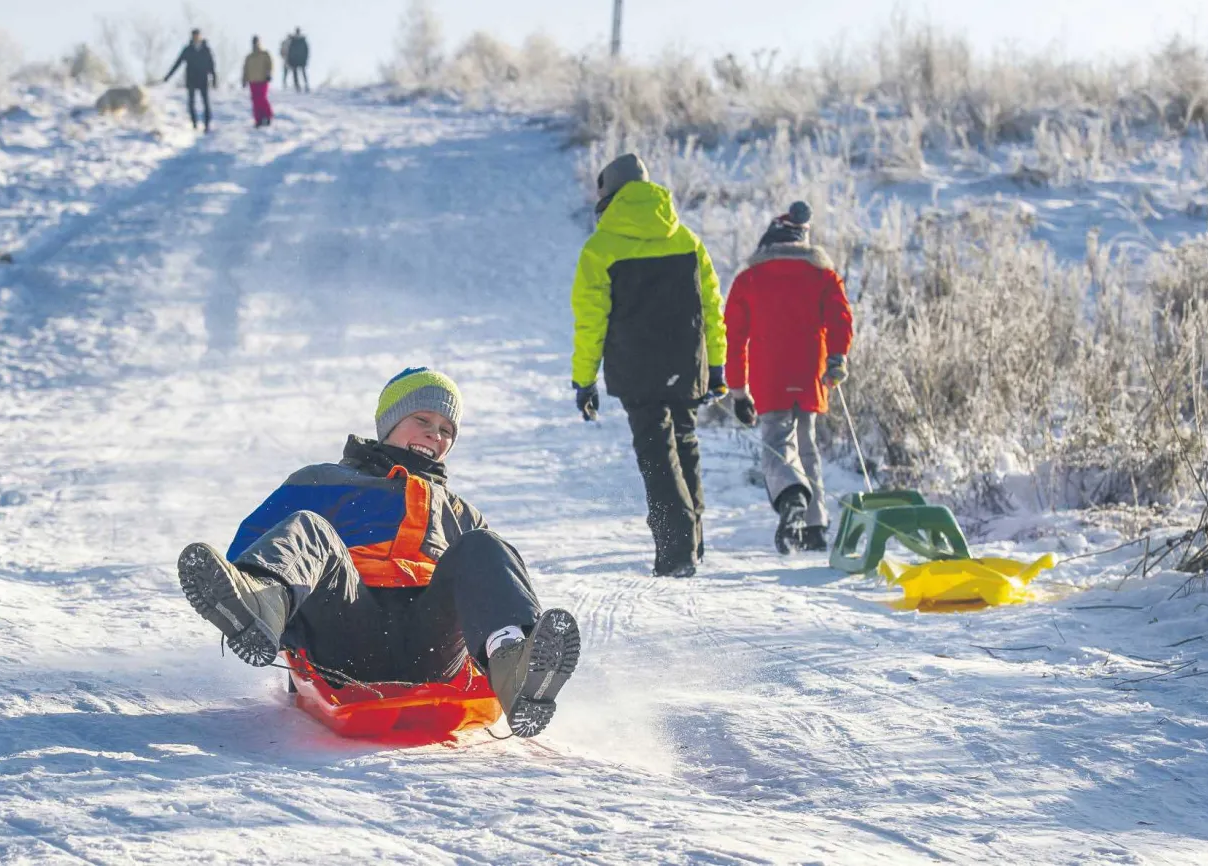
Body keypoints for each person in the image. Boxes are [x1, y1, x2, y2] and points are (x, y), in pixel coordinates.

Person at [175, 368, 581, 738]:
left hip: (432, 646)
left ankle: (514, 666)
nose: (434, 436)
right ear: (389, 422)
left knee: (485, 547)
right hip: (347, 629)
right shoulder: (323, 480)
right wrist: (277, 614)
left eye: (446, 430)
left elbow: (495, 591)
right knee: (312, 529)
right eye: (422, 420)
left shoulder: (461, 513)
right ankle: (263, 608)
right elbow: (256, 547)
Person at [569, 153, 728, 578]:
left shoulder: (600, 249)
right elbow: (711, 306)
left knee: (657, 453)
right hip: (686, 364)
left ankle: (676, 554)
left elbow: (591, 322)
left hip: (637, 369)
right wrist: (717, 365)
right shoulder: (688, 239)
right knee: (686, 444)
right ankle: (692, 543)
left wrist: (584, 381)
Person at [724, 201, 854, 553]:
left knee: (778, 443)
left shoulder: (749, 279)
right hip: (811, 368)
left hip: (769, 371)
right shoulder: (823, 276)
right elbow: (841, 319)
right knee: (807, 443)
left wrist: (738, 391)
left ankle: (791, 498)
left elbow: (734, 338)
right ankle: (815, 527)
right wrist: (838, 357)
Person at [164, 28, 217, 132]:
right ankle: (194, 124)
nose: (196, 38)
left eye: (197, 36)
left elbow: (211, 65)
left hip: (203, 79)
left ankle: (207, 125)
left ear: (200, 37)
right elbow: (178, 63)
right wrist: (168, 76)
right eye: (194, 36)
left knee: (205, 103)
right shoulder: (188, 49)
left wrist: (214, 78)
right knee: (191, 103)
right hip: (191, 79)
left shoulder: (206, 49)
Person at [242, 36, 274, 128]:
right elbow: (245, 69)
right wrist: (244, 79)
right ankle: (258, 119)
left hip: (263, 79)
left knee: (262, 98)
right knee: (255, 100)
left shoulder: (264, 54)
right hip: (253, 80)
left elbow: (270, 65)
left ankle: (267, 115)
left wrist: (269, 74)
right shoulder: (249, 57)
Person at [285, 27, 310, 93]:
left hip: (297, 60)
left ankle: (302, 85)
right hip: (298, 60)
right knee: (299, 73)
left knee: (300, 73)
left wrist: (289, 59)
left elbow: (306, 51)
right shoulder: (300, 40)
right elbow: (306, 51)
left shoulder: (297, 40)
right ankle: (300, 86)